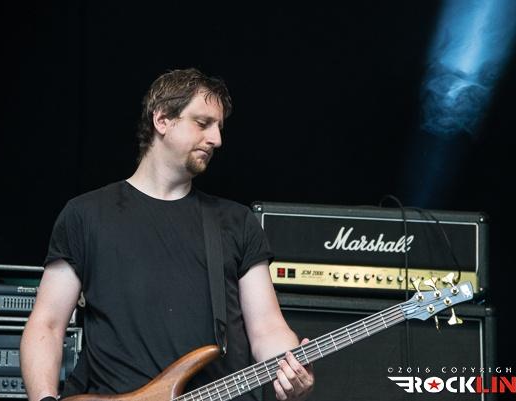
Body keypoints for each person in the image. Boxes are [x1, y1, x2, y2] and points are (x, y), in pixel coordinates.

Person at [20, 68, 314, 401]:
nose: (217, 139)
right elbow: (47, 324)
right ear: (162, 120)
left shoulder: (236, 222)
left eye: (219, 127)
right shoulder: (85, 215)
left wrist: (290, 369)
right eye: (203, 123)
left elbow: (267, 328)